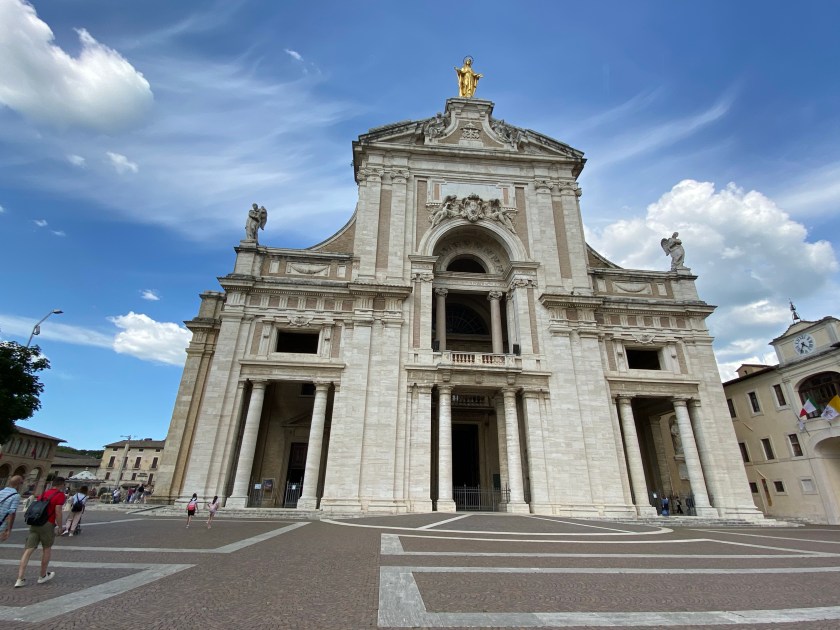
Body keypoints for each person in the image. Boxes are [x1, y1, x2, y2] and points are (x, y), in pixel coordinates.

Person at [15, 476, 66, 588]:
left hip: (35, 523)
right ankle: (42, 575)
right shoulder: (60, 495)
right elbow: (58, 511)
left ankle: (20, 578)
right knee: (46, 549)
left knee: (28, 550)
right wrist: (60, 526)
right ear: (61, 485)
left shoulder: (44, 493)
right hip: (47, 524)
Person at [0, 475, 24, 542]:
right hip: (1, 525)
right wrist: (9, 529)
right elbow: (12, 513)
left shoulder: (1, 492)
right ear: (18, 484)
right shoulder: (16, 496)